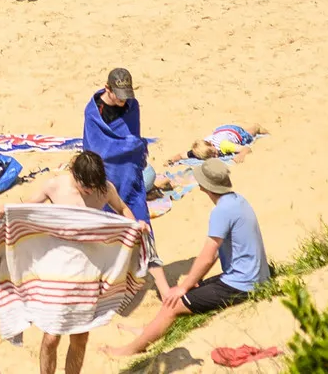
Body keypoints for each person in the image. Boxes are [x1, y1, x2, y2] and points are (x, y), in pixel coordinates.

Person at [103, 160, 264, 358]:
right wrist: (192, 282)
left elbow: (208, 256)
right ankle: (147, 330)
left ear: (204, 186)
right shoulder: (238, 200)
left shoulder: (221, 211)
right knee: (185, 293)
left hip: (242, 285)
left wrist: (183, 286)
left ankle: (131, 349)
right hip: (252, 277)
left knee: (173, 301)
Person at [20, 151, 138, 374]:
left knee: (80, 336)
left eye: (95, 185)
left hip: (88, 269)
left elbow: (122, 209)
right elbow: (24, 210)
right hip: (57, 268)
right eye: (87, 186)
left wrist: (134, 226)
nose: (91, 191)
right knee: (52, 336)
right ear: (75, 175)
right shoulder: (55, 186)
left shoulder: (105, 189)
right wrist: (2, 213)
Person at [81, 69, 152, 235]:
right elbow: (96, 147)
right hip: (104, 172)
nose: (123, 99)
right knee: (107, 217)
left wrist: (134, 146)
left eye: (126, 94)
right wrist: (129, 145)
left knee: (138, 213)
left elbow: (133, 136)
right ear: (108, 88)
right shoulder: (93, 112)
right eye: (119, 94)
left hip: (129, 171)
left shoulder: (131, 105)